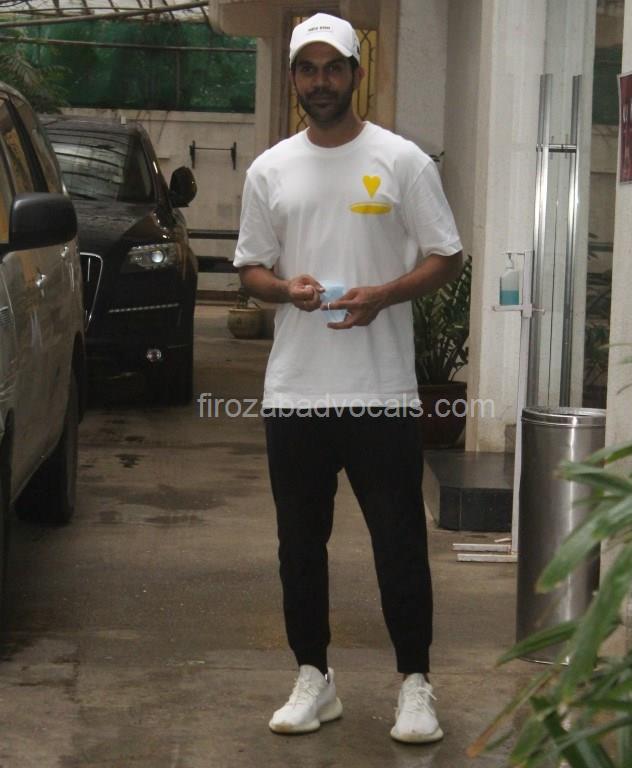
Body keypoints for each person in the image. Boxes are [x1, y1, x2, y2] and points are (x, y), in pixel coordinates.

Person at [233, 12, 463, 744]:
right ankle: (314, 677)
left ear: (356, 74)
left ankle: (415, 685)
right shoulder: (270, 169)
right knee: (299, 546)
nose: (321, 81)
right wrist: (284, 290)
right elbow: (250, 268)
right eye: (308, 69)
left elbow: (447, 255)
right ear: (293, 79)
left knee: (399, 542)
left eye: (333, 67)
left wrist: (384, 294)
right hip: (297, 391)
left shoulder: (402, 161)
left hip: (380, 391)